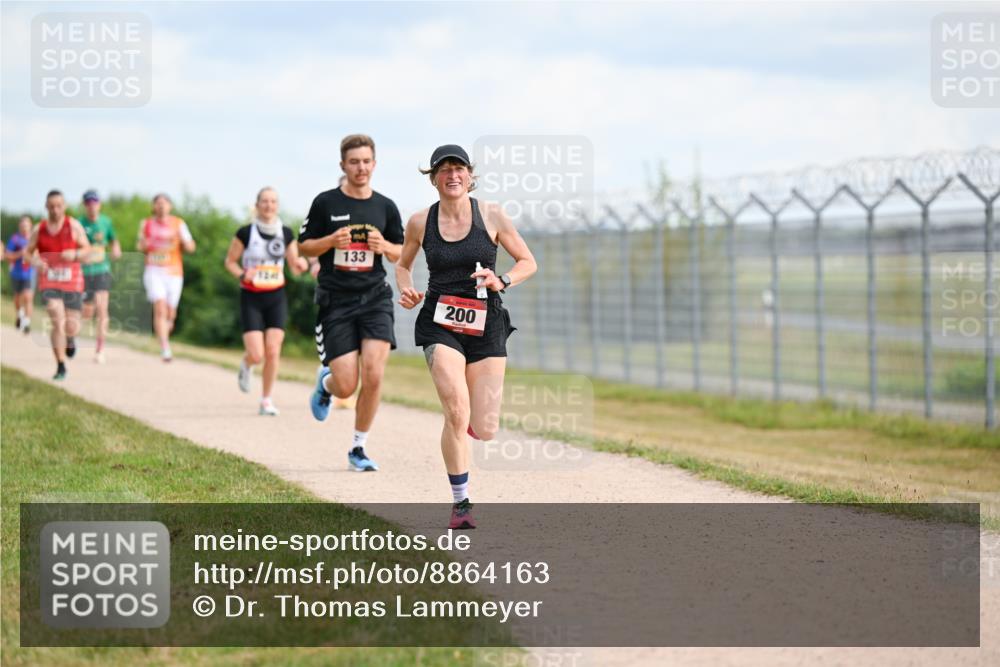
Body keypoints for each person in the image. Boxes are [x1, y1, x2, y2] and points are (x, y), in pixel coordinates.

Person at [396, 144, 536, 528]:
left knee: (485, 428)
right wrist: (406, 289)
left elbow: (528, 262)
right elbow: (403, 265)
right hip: (440, 322)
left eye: (459, 168)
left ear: (470, 176)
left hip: (486, 322)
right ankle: (461, 504)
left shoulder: (491, 214)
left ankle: (470, 428)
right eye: (444, 170)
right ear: (433, 178)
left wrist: (501, 279)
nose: (452, 175)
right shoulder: (419, 222)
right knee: (456, 411)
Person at [300, 134, 404, 472]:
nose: (361, 167)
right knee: (347, 383)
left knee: (374, 374)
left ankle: (358, 448)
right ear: (343, 165)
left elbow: (402, 252)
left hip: (375, 298)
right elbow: (304, 247)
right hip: (337, 301)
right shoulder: (325, 203)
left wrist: (384, 246)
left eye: (366, 161)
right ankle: (326, 384)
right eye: (354, 162)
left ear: (375, 164)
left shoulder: (385, 206)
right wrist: (330, 240)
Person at [224, 187, 309, 415]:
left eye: (273, 201)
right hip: (251, 296)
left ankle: (266, 400)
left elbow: (294, 264)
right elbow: (230, 262)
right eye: (265, 201)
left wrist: (300, 265)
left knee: (273, 350)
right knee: (257, 354)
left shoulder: (286, 233)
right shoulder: (245, 233)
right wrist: (242, 274)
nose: (269, 205)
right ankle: (247, 364)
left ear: (277, 205)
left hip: (276, 296)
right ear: (257, 205)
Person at [25, 190, 92, 380]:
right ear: (46, 207)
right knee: (56, 318)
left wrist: (75, 254)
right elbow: (27, 253)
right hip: (50, 280)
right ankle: (61, 364)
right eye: (51, 206)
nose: (55, 210)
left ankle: (71, 339)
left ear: (65, 206)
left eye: (58, 206)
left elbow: (87, 250)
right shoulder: (40, 229)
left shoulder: (74, 226)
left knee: (71, 326)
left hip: (72, 280)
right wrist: (36, 262)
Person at [137, 194, 195, 361]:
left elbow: (191, 246)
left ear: (170, 206)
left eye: (164, 203)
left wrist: (184, 243)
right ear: (154, 207)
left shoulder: (178, 223)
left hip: (174, 272)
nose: (161, 206)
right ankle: (165, 348)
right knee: (160, 308)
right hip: (154, 271)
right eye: (158, 204)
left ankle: (165, 329)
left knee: (170, 312)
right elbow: (140, 245)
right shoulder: (146, 224)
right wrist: (145, 245)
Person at [79, 190, 121, 363]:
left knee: (102, 309)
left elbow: (113, 240)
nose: (92, 206)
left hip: (102, 270)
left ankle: (100, 349)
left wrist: (116, 249)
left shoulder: (106, 222)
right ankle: (72, 334)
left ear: (99, 204)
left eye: (94, 202)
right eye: (88, 203)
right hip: (84, 272)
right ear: (84, 205)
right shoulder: (78, 223)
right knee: (87, 312)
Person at [5, 215, 36, 334]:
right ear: (19, 226)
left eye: (26, 225)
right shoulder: (15, 239)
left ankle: (27, 322)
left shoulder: (34, 239)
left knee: (28, 297)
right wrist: (20, 254)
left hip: (30, 273)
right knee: (18, 298)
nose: (24, 228)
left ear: (30, 226)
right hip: (16, 273)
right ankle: (19, 314)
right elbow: (8, 255)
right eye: (22, 225)